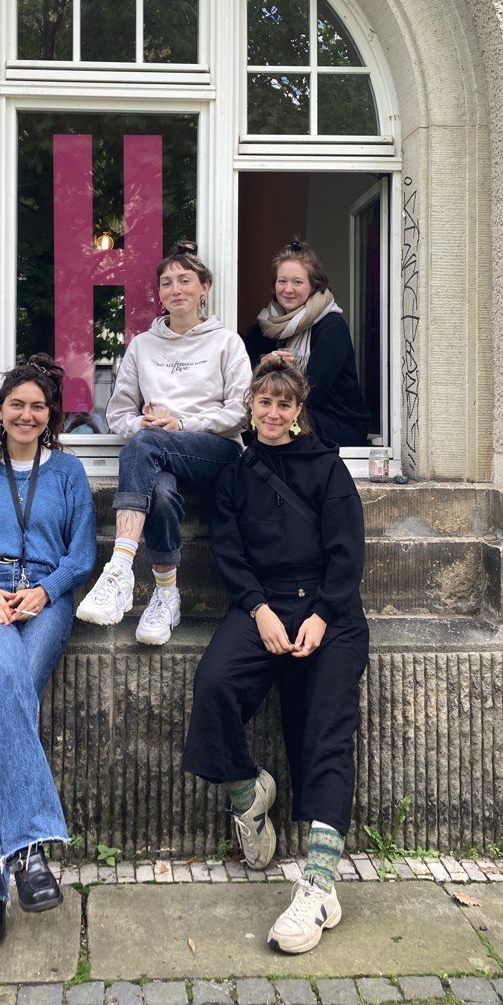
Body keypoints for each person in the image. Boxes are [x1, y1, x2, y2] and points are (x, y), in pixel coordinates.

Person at [182, 356, 368, 954]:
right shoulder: (237, 474)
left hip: (327, 611)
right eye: (264, 402)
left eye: (284, 404)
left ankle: (317, 884)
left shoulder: (328, 468)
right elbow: (228, 551)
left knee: (326, 731)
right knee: (213, 685)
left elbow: (348, 553)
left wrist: (320, 614)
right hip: (260, 605)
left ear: (298, 412)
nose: (272, 412)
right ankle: (247, 791)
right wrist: (259, 610)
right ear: (251, 406)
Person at [0, 354, 95, 957]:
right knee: (5, 683)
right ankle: (25, 853)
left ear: (50, 415)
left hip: (46, 599)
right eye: (16, 404)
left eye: (38, 406)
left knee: (3, 700)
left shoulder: (70, 473)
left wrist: (46, 591)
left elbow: (82, 556)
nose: (26, 414)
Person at [76, 241, 251, 647]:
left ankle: (119, 570)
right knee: (161, 491)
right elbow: (118, 415)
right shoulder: (142, 345)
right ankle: (165, 594)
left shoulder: (227, 343)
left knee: (146, 444)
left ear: (204, 287)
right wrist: (145, 421)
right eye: (167, 283)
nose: (176, 289)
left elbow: (241, 412)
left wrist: (182, 422)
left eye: (185, 280)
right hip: (161, 457)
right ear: (159, 293)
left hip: (215, 452)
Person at [243, 239, 370, 446]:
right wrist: (264, 362)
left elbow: (313, 391)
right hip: (286, 413)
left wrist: (280, 372)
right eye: (282, 281)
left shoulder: (331, 325)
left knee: (266, 421)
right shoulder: (264, 327)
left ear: (313, 286)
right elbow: (240, 374)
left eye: (297, 282)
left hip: (334, 422)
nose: (288, 289)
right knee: (243, 420)